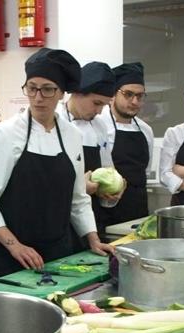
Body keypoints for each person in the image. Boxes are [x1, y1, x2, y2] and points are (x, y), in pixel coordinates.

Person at [0, 48, 115, 283]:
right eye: (32, 87)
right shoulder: (7, 133)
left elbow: (78, 199)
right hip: (10, 259)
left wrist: (93, 239)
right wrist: (15, 246)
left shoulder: (72, 135)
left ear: (61, 93)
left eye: (48, 89)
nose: (38, 97)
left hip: (58, 255)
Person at [63, 61, 121, 236]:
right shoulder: (56, 122)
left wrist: (113, 189)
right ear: (77, 92)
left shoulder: (100, 126)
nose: (99, 111)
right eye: (96, 103)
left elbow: (107, 167)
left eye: (104, 105)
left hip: (92, 214)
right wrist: (79, 187)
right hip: (61, 215)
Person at [98, 62, 154, 226]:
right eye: (128, 94)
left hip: (138, 208)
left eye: (140, 96)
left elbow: (146, 170)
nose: (135, 101)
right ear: (113, 94)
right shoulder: (100, 125)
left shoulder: (145, 130)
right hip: (106, 209)